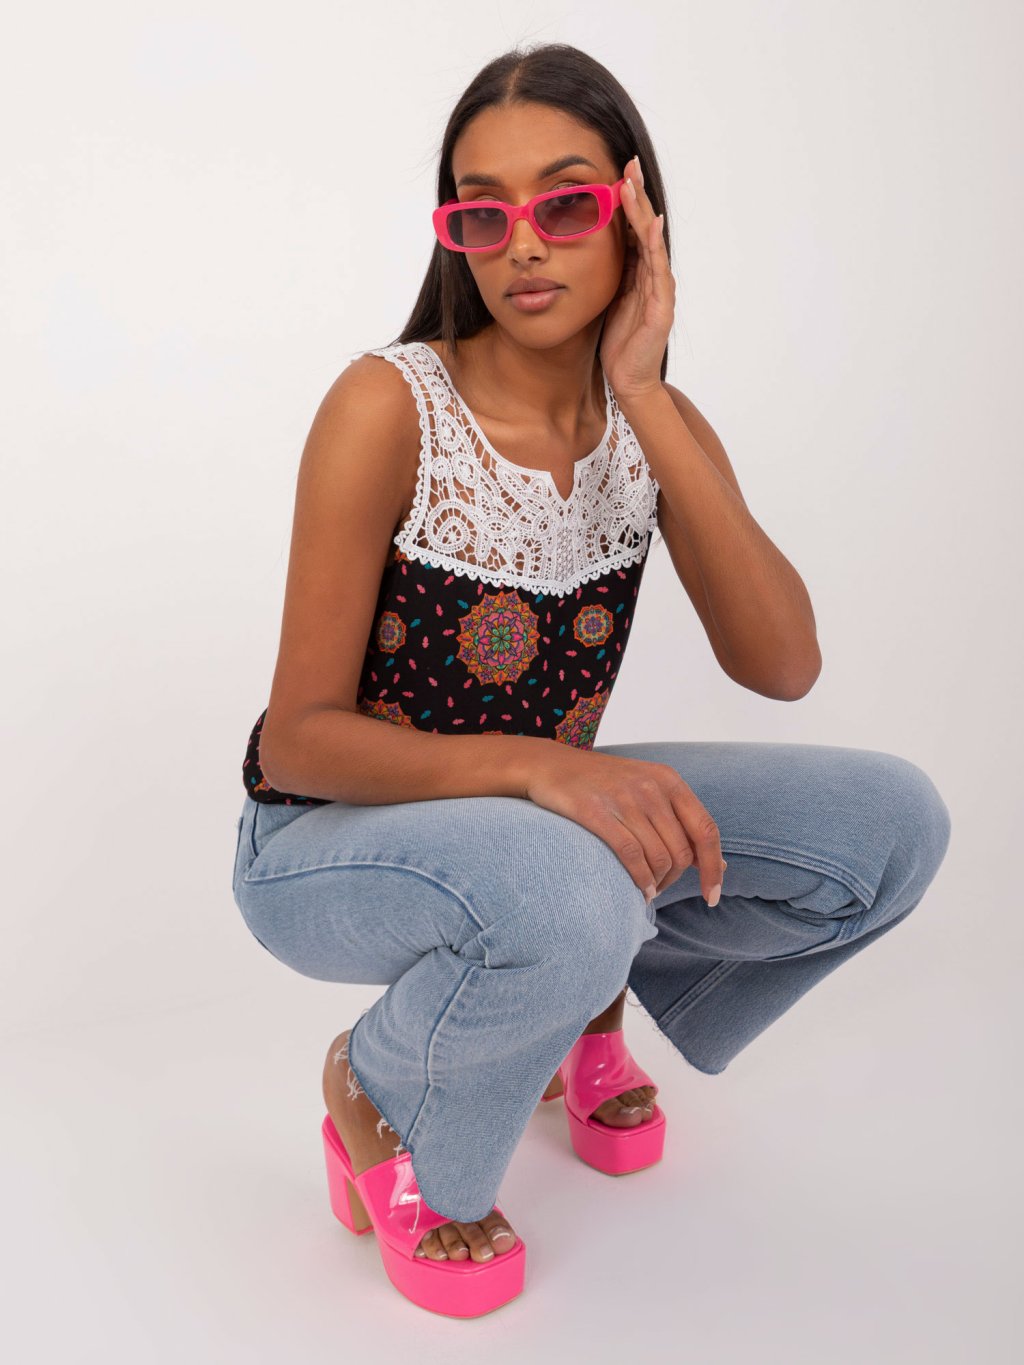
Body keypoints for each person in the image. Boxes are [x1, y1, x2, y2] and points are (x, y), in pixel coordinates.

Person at [230, 43, 951, 1319]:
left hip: (545, 835)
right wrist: (543, 770)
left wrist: (645, 396)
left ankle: (572, 992)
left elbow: (783, 664)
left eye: (565, 203)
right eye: (482, 213)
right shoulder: (388, 406)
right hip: (324, 846)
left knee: (888, 827)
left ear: (634, 215)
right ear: (454, 235)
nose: (523, 243)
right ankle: (381, 1082)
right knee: (573, 895)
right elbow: (296, 743)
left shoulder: (652, 421)